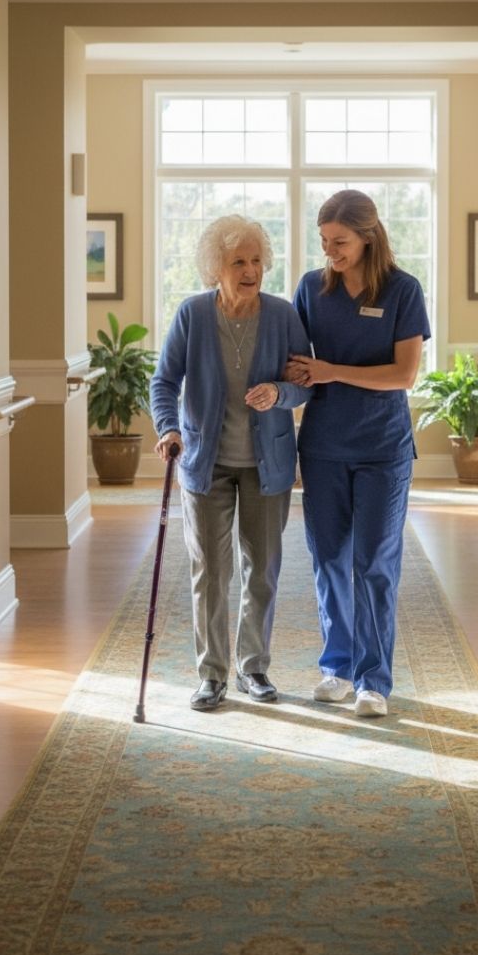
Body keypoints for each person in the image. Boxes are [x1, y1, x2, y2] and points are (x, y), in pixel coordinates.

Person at [151, 215, 312, 711]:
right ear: (214, 268)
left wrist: (280, 392)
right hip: (205, 463)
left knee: (261, 569)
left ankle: (254, 667)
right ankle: (212, 674)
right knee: (210, 572)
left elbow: (305, 381)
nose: (251, 270)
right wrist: (168, 428)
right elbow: (163, 382)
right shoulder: (193, 315)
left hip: (268, 465)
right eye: (238, 261)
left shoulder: (283, 315)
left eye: (257, 259)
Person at [286, 190, 430, 719]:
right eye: (324, 242)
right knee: (328, 559)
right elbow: (295, 362)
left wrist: (332, 371)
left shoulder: (403, 291)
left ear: (368, 236)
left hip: (382, 449)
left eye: (340, 242)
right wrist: (293, 373)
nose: (330, 252)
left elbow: (404, 376)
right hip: (323, 445)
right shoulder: (311, 289)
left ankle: (374, 680)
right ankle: (337, 668)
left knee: (373, 563)